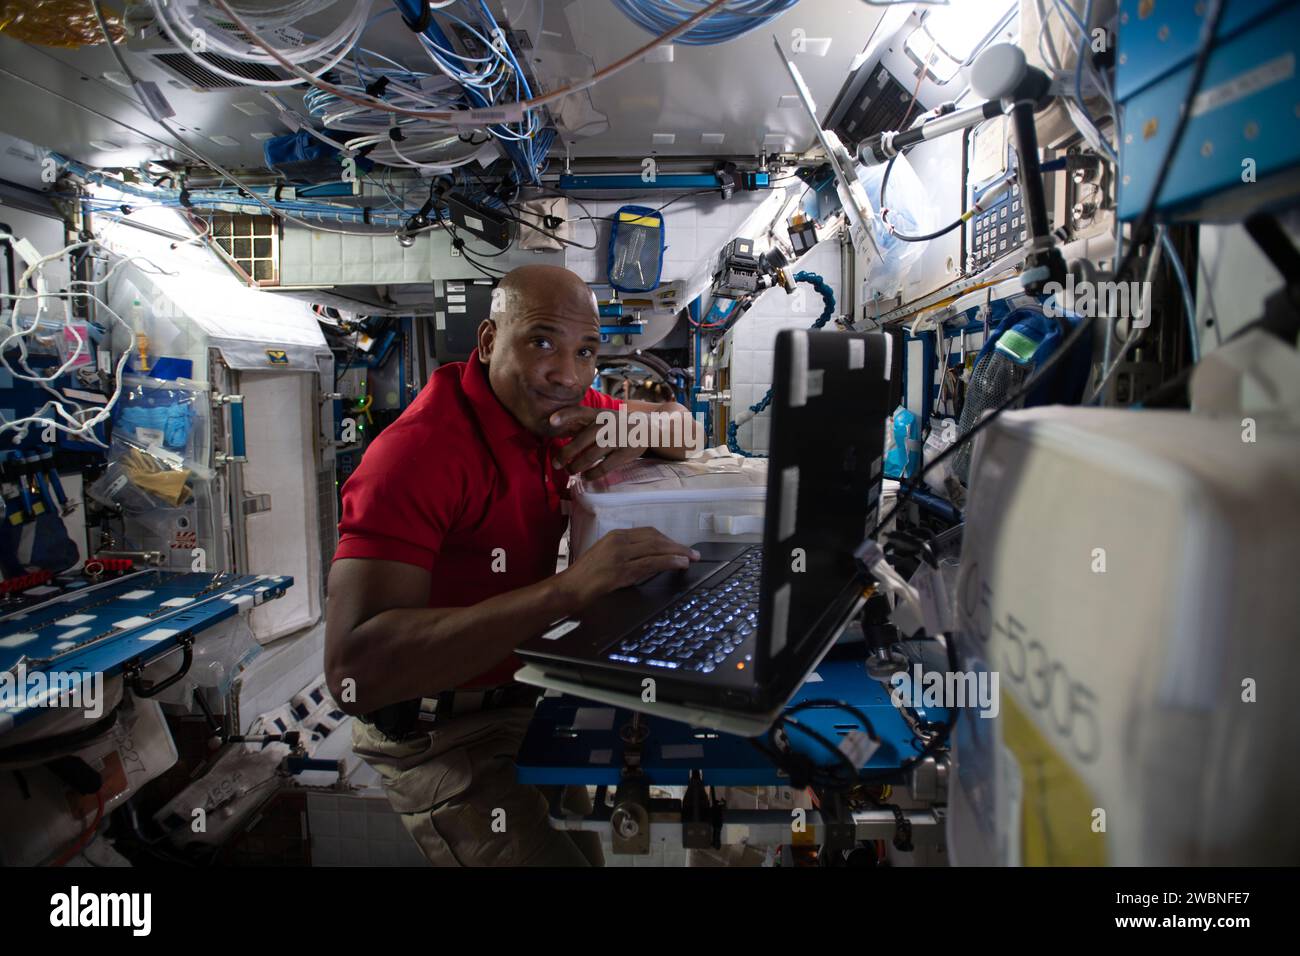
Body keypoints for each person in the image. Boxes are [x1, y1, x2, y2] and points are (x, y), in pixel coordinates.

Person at [324, 263, 702, 865]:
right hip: (438, 732)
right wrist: (571, 590)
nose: (567, 373)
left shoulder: (555, 411)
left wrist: (630, 421)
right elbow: (354, 673)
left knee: (589, 855)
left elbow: (688, 427)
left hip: (525, 698)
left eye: (586, 352)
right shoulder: (416, 455)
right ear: (488, 341)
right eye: (542, 341)